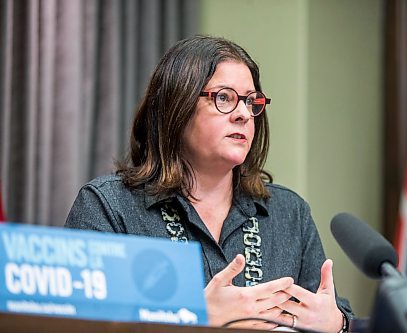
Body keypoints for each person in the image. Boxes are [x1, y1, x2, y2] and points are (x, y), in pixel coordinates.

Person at [65, 35, 354, 332]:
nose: (243, 114)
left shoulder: (289, 213)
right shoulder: (109, 207)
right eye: (224, 98)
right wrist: (194, 317)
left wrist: (338, 323)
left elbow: (331, 309)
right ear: (176, 107)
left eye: (251, 101)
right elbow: (76, 325)